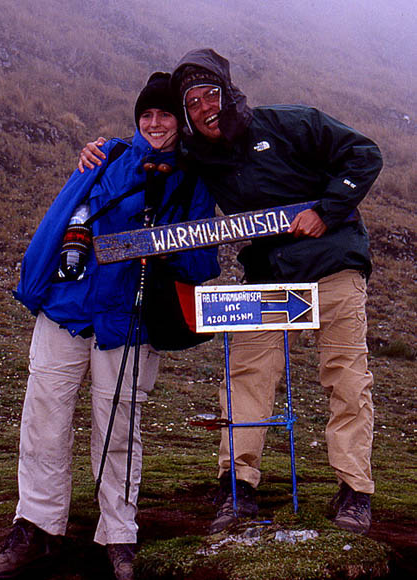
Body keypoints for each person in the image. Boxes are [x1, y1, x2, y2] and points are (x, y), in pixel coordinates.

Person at [77, 49, 383, 536]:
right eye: (192, 101)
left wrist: (328, 208)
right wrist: (103, 149)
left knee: (345, 376)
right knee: (246, 376)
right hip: (265, 277)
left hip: (334, 265)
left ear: (228, 91)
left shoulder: (291, 123)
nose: (203, 107)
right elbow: (153, 148)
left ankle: (354, 491)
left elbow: (364, 154)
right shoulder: (201, 156)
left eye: (210, 94)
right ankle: (238, 486)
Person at [0, 72, 220, 580]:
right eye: (146, 115)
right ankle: (37, 528)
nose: (154, 124)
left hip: (127, 321)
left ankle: (119, 534)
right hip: (67, 308)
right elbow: (64, 216)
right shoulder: (106, 157)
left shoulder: (194, 178)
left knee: (119, 428)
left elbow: (202, 267)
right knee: (43, 420)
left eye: (165, 115)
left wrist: (166, 244)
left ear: (179, 122)